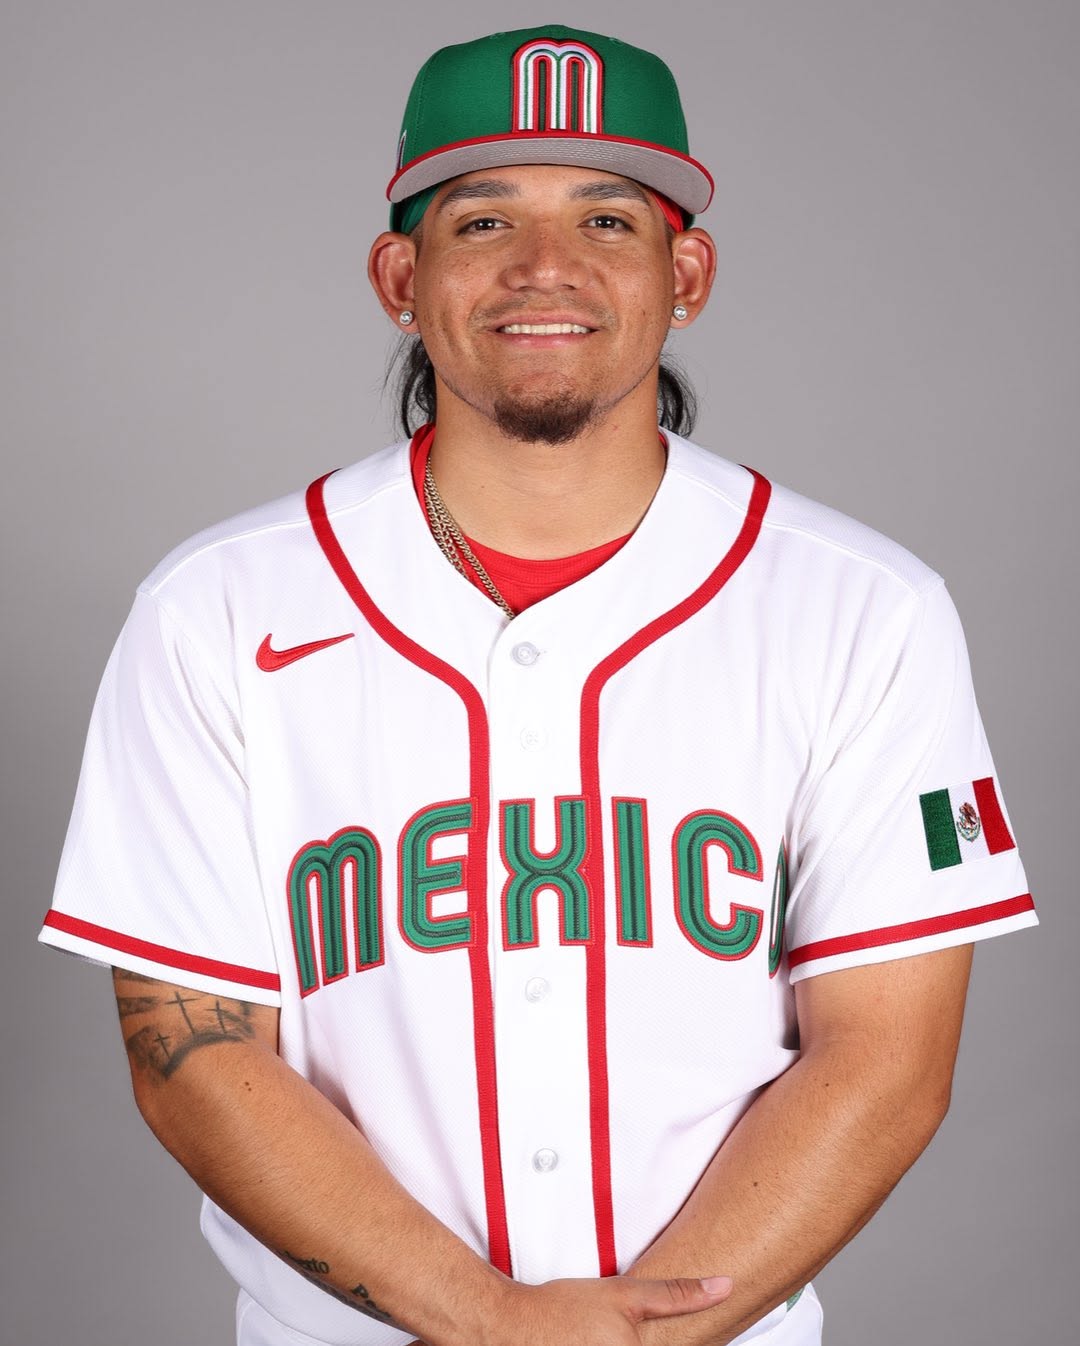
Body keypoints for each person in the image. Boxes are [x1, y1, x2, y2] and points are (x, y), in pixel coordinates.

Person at [39, 24, 1037, 1346]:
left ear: (688, 273)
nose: (545, 266)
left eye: (608, 219)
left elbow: (886, 1060)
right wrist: (487, 1318)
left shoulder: (865, 611)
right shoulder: (213, 613)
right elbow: (195, 1054)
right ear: (401, 276)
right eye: (484, 218)